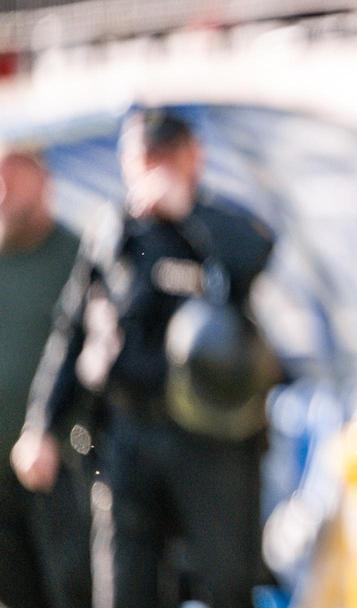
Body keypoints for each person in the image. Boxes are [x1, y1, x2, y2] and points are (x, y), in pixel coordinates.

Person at [11, 110, 276, 608]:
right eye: (140, 159)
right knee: (122, 586)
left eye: (161, 157)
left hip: (210, 438)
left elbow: (258, 254)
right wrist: (41, 425)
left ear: (190, 158)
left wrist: (188, 211)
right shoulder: (112, 231)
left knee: (226, 582)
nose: (150, 171)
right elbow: (70, 330)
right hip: (126, 435)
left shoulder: (217, 224)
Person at [1, 148, 92, 608]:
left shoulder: (78, 257)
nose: (3, 189)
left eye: (14, 175)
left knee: (71, 588)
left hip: (60, 471)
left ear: (44, 180)